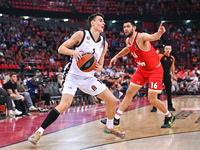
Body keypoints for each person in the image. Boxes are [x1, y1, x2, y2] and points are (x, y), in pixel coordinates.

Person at [28, 13, 125, 145]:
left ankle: (109, 127)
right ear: (92, 23)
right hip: (72, 76)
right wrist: (74, 52)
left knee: (112, 100)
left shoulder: (104, 43)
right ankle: (38, 132)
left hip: (89, 78)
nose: (103, 23)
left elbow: (101, 66)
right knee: (65, 105)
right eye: (100, 21)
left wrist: (98, 68)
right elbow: (61, 48)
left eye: (103, 22)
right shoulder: (81, 35)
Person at [101, 20, 175, 128]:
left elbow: (153, 37)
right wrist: (116, 56)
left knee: (152, 99)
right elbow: (128, 49)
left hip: (155, 70)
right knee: (129, 92)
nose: (125, 29)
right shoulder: (128, 41)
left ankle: (169, 116)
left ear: (134, 28)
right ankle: (116, 118)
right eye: (124, 27)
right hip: (142, 69)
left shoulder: (141, 37)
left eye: (128, 26)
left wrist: (159, 33)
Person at [151, 45, 177, 112]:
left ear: (171, 50)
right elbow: (154, 61)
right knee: (158, 92)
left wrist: (173, 75)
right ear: (164, 49)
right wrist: (155, 54)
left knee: (169, 91)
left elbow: (172, 67)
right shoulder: (160, 56)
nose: (168, 50)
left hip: (167, 76)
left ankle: (170, 106)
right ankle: (154, 107)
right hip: (160, 75)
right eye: (166, 48)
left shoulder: (172, 58)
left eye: (169, 48)